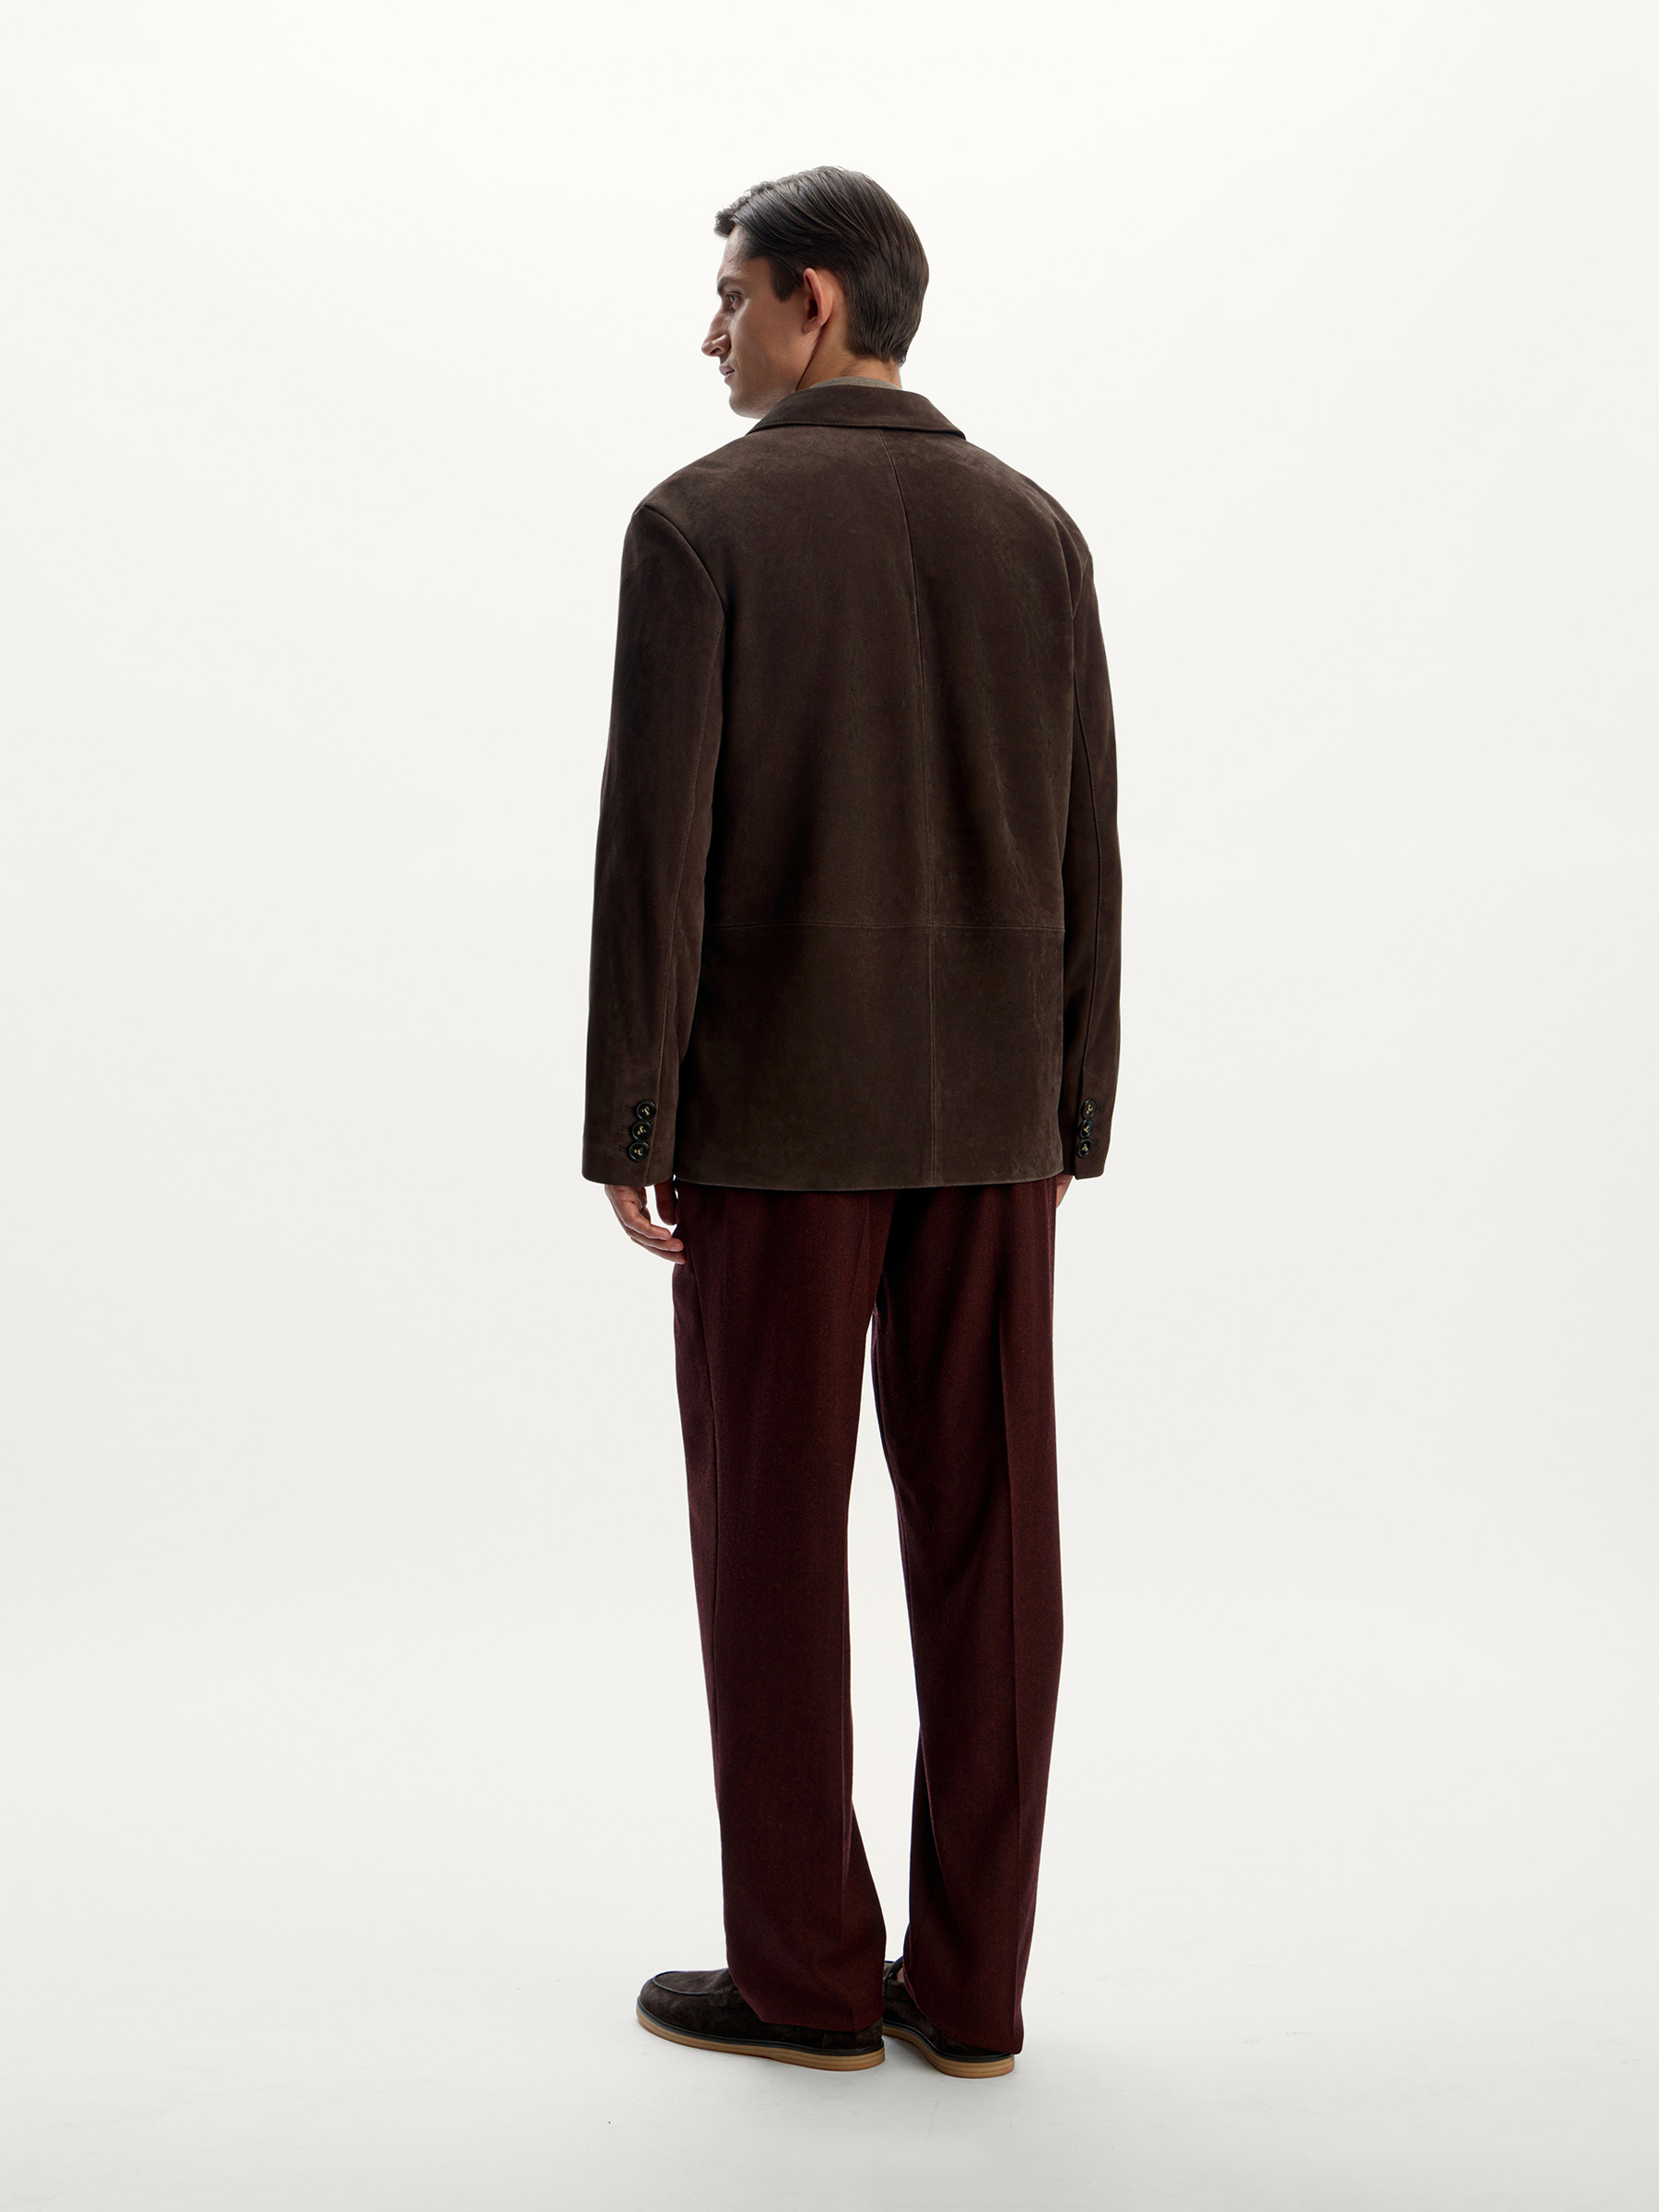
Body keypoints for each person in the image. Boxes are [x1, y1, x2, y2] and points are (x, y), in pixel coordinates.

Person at [582, 167, 1121, 2077]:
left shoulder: (700, 524)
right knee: (996, 1545)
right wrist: (1074, 1106)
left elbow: (656, 852)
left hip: (776, 1125)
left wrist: (635, 1110)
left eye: (731, 295)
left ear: (813, 300)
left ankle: (809, 1981)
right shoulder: (1037, 531)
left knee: (771, 1541)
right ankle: (972, 1993)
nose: (710, 333)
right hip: (994, 1121)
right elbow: (1089, 847)